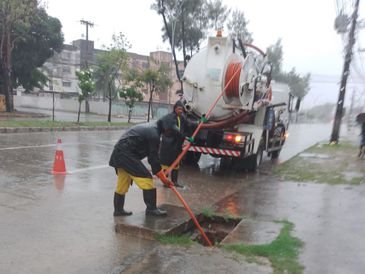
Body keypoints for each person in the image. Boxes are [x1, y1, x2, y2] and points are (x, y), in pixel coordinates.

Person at [109, 116, 176, 217]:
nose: (170, 133)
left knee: (123, 182)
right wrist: (163, 178)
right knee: (146, 179)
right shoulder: (154, 134)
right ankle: (151, 209)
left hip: (120, 153)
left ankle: (118, 210)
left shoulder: (153, 127)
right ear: (166, 128)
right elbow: (153, 159)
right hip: (126, 154)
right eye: (171, 130)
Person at [159, 100, 192, 188]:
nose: (180, 111)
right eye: (178, 109)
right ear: (175, 109)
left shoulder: (182, 117)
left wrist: (200, 122)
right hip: (168, 145)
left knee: (176, 163)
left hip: (176, 145)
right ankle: (165, 182)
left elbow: (189, 123)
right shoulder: (170, 117)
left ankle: (174, 182)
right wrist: (186, 137)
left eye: (181, 109)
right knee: (166, 163)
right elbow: (175, 129)